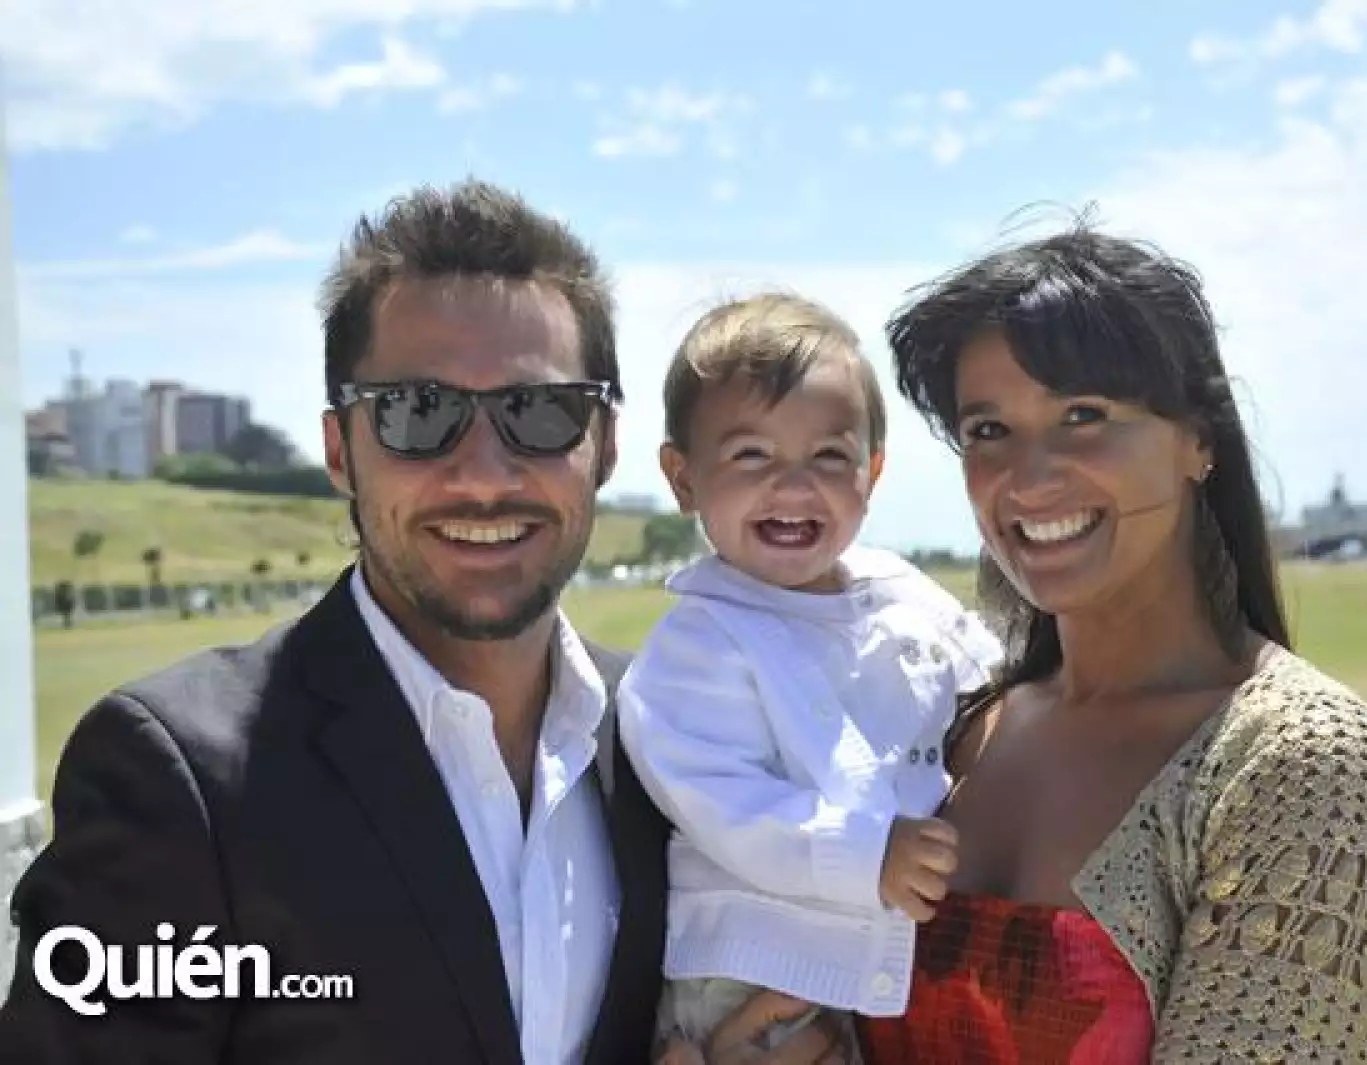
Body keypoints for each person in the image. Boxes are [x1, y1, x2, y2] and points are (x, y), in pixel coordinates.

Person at [0, 181, 840, 1065]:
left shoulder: (671, 731)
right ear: (340, 450)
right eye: (417, 413)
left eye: (540, 412)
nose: (483, 475)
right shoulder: (180, 777)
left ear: (604, 443)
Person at [843, 222, 1367, 1062]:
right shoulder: (948, 723)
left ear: (1200, 438)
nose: (1029, 478)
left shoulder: (1301, 761)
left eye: (1083, 415)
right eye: (989, 430)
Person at [616, 294, 1004, 1061]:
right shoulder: (697, 643)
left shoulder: (902, 593)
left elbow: (991, 685)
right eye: (751, 456)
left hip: (882, 958)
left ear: (872, 471)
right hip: (752, 975)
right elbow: (726, 805)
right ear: (683, 477)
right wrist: (866, 853)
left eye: (828, 456)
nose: (794, 486)